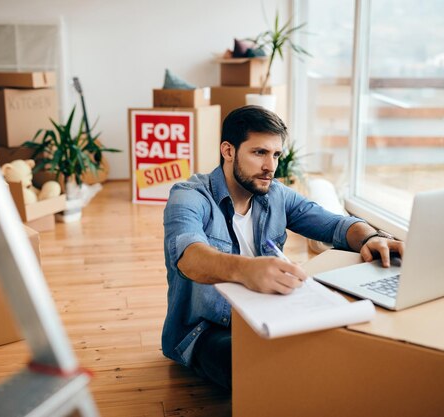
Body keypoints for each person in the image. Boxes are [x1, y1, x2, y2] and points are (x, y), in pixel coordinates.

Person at [161, 105, 404, 390]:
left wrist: (370, 238)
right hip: (208, 329)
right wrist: (246, 270)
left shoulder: (275, 194)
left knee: (346, 353)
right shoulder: (189, 196)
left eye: (276, 154)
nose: (271, 166)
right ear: (228, 151)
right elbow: (189, 257)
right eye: (259, 152)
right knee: (269, 373)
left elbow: (336, 225)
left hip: (273, 314)